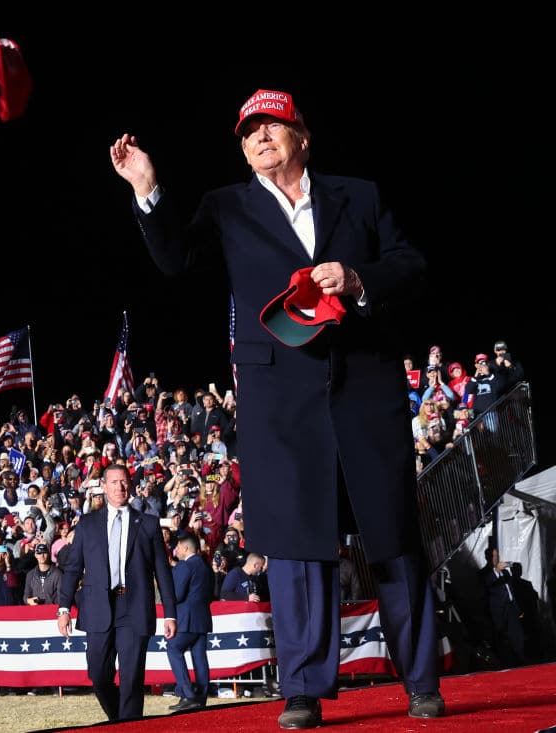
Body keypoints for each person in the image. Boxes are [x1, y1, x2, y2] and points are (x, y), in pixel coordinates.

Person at [110, 87, 444, 727]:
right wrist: (147, 189)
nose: (260, 137)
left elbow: (412, 265)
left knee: (394, 536)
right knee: (295, 547)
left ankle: (422, 680)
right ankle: (302, 690)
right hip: (278, 406)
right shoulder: (226, 207)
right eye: (248, 132)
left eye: (273, 126)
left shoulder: (361, 196)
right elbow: (176, 260)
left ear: (303, 136)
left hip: (365, 390)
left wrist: (357, 279)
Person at [57, 464, 177, 721]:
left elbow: (162, 572)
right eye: (114, 482)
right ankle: (119, 722)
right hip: (97, 606)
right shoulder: (88, 524)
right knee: (99, 676)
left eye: (124, 482)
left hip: (134, 608)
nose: (119, 487)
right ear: (103, 486)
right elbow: (73, 568)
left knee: (132, 678)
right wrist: (64, 608)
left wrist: (170, 613)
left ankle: (129, 726)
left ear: (130, 484)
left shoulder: (148, 524)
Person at [166, 532, 214, 712]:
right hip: (202, 618)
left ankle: (188, 694)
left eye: (178, 546)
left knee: (173, 648)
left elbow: (177, 595)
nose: (175, 549)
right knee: (199, 657)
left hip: (187, 619)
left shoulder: (186, 566)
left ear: (185, 548)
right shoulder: (206, 566)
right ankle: (200, 697)